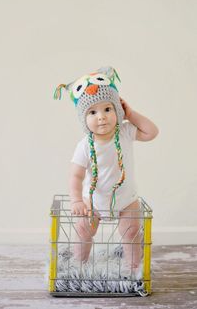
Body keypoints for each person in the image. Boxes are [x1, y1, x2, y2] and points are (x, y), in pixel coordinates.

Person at [54, 66, 159, 278]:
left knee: (131, 233)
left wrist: (130, 114)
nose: (101, 117)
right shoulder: (85, 145)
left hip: (126, 199)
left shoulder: (126, 132)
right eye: (92, 112)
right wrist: (77, 201)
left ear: (117, 111)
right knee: (83, 231)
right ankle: (78, 264)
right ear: (84, 119)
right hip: (93, 200)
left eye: (108, 109)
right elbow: (76, 175)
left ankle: (133, 271)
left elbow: (151, 132)